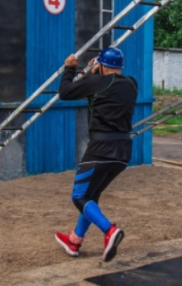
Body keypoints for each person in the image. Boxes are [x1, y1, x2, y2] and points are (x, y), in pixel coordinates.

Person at [54, 47, 138, 262]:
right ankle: (75, 240)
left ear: (103, 65)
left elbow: (65, 92)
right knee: (92, 196)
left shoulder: (96, 82)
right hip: (123, 151)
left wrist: (70, 69)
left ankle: (109, 230)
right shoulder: (132, 84)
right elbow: (104, 86)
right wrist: (96, 69)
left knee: (79, 196)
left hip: (101, 148)